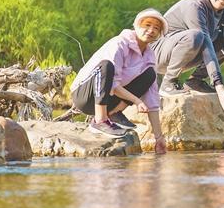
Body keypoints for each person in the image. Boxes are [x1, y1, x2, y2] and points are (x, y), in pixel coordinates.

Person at [70, 9, 168, 154]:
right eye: (147, 25)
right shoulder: (120, 43)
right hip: (84, 95)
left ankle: (114, 113)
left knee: (150, 75)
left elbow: (152, 100)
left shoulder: (149, 56)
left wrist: (159, 137)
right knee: (106, 65)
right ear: (136, 25)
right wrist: (137, 101)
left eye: (156, 28)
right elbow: (112, 83)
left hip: (108, 98)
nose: (151, 30)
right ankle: (100, 120)